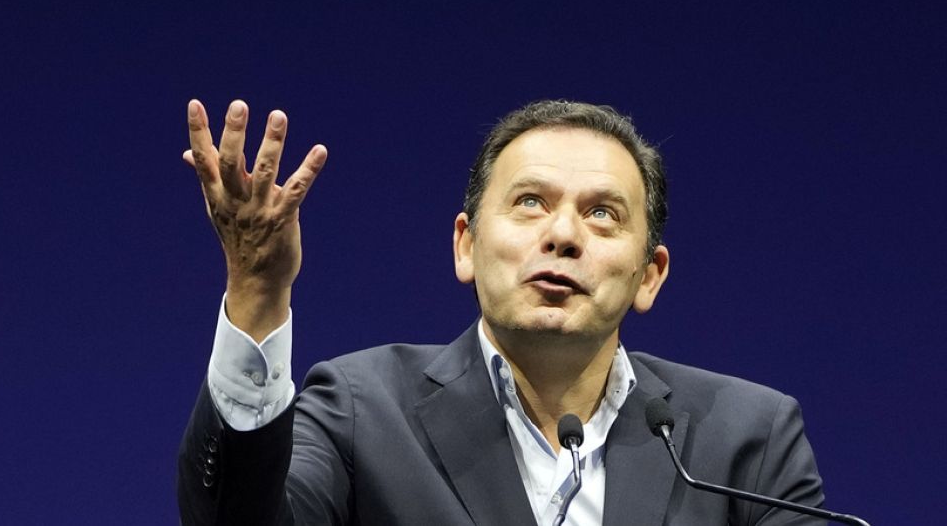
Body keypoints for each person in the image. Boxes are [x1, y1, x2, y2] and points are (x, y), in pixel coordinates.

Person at [177, 98, 825, 525]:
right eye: (530, 202)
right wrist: (258, 293)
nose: (564, 233)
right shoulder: (361, 410)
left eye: (603, 213)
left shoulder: (747, 441)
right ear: (467, 244)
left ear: (649, 275)